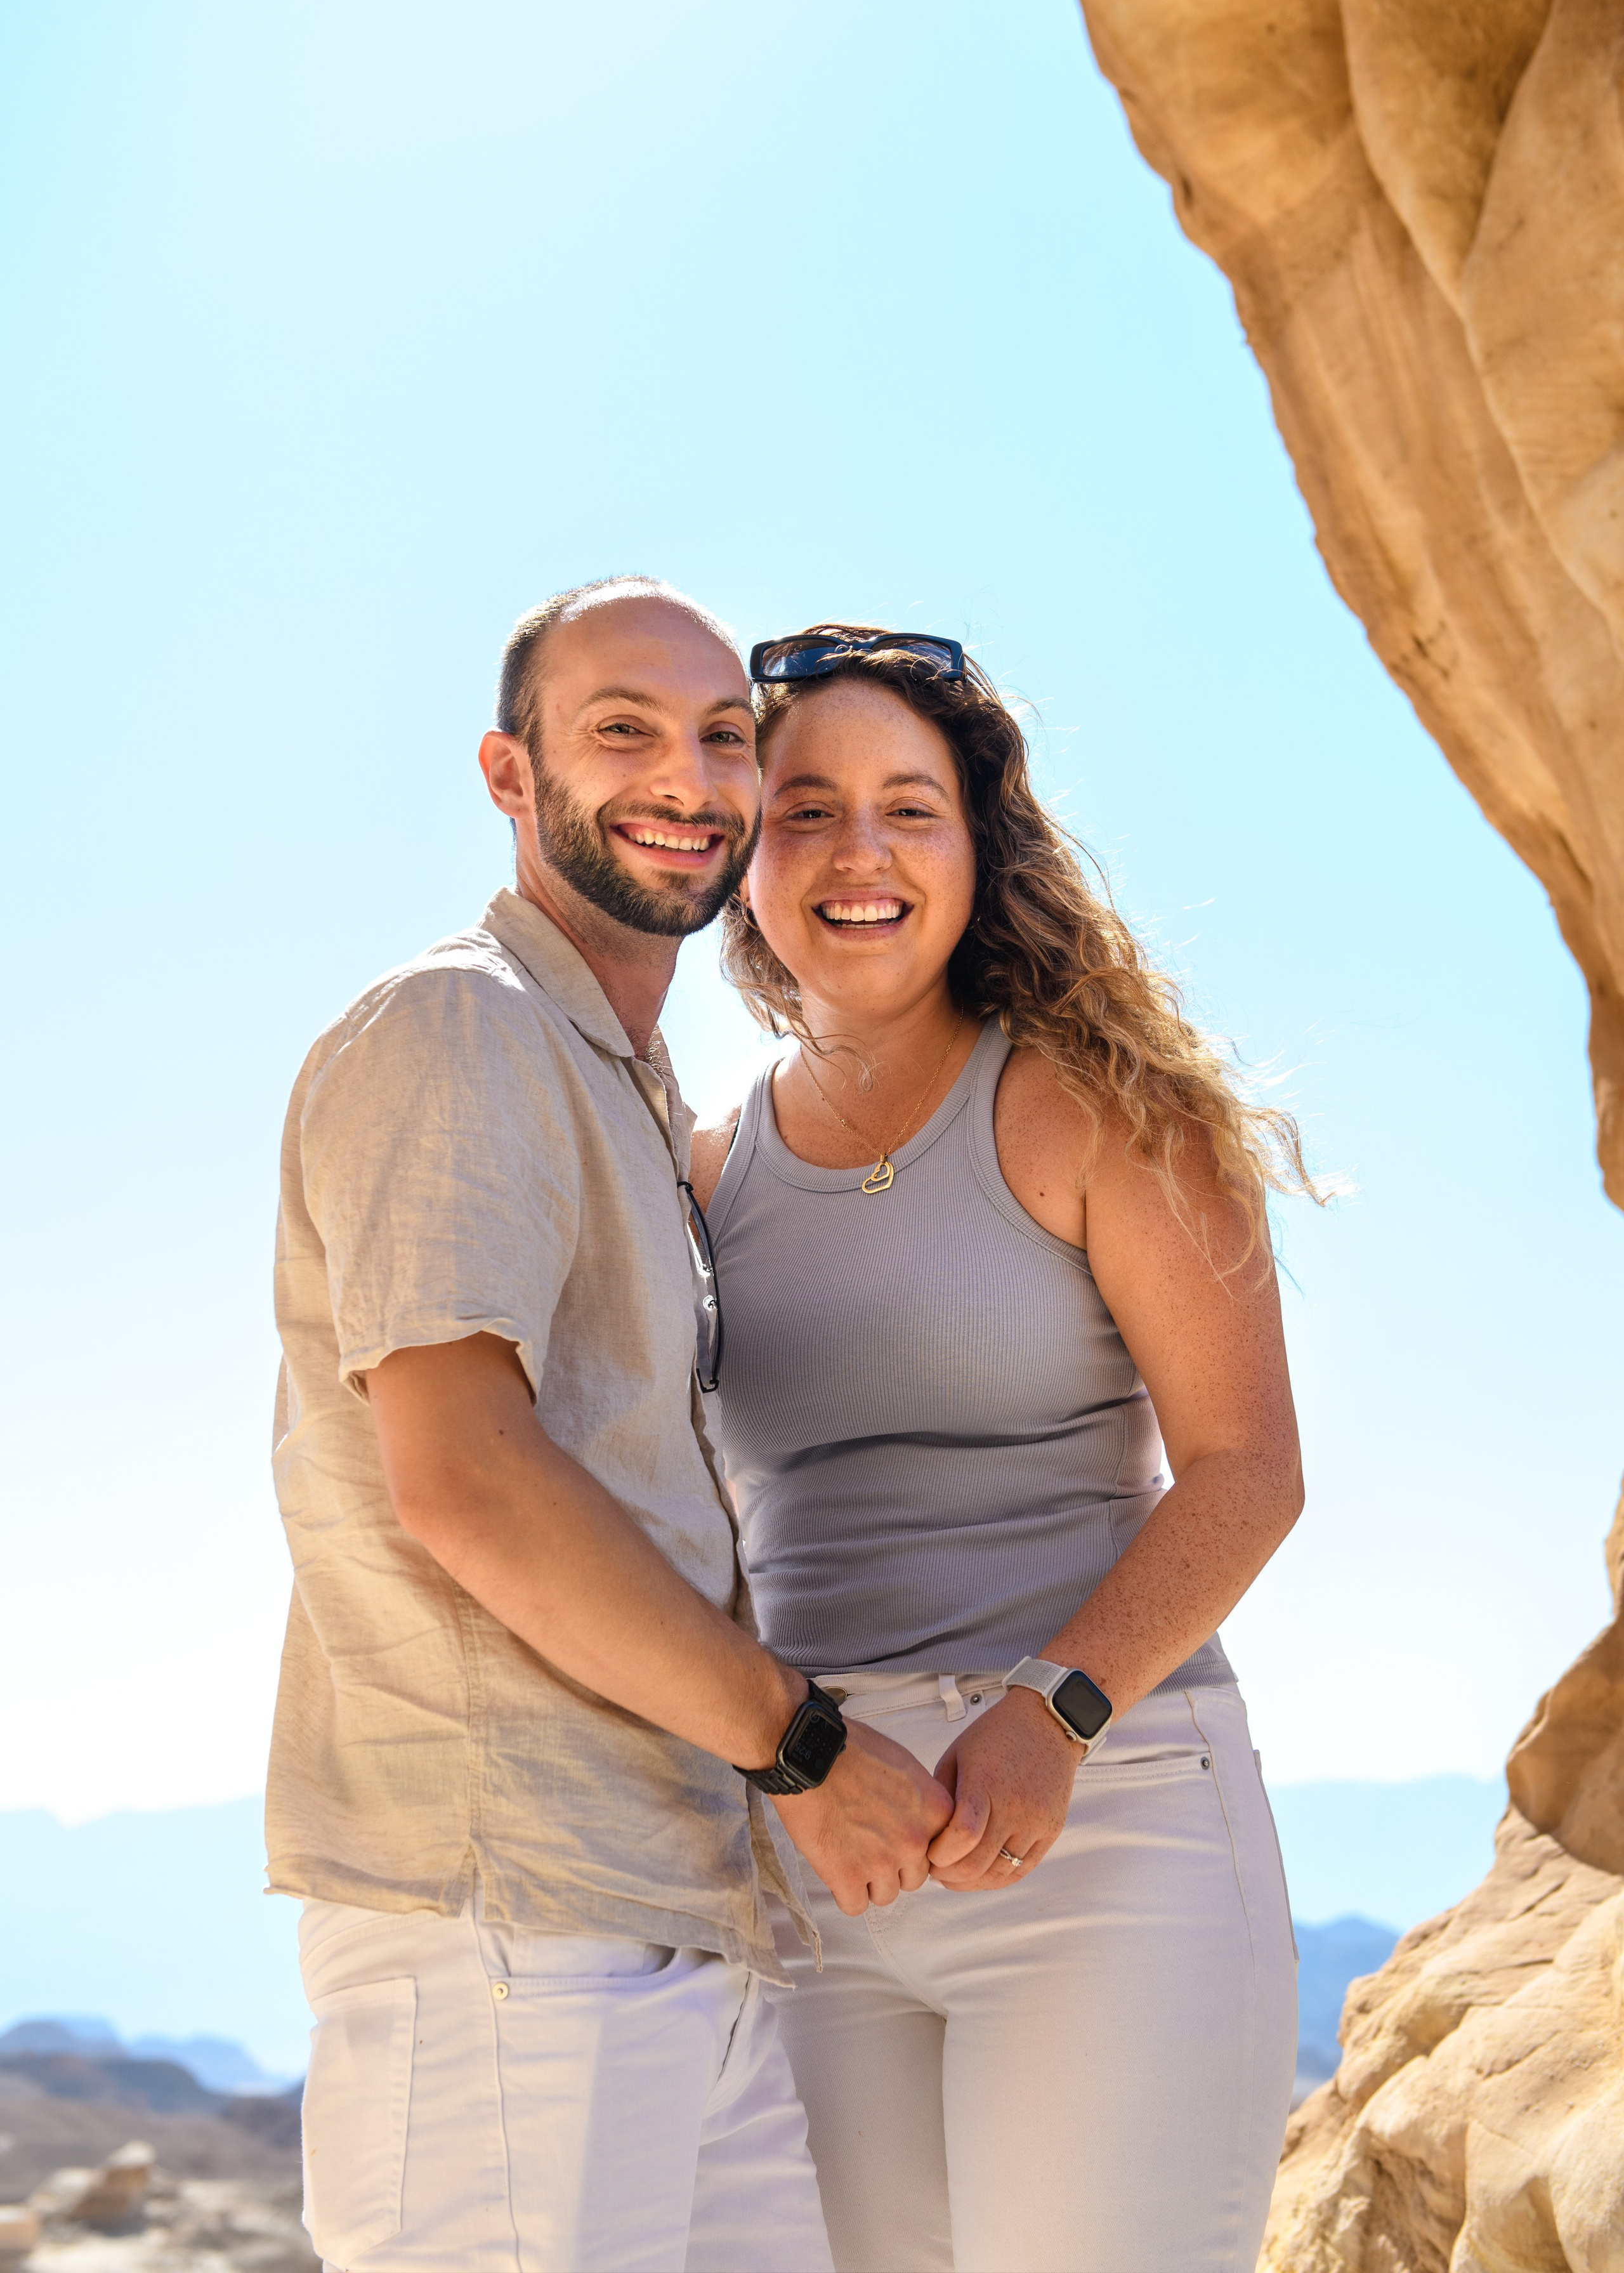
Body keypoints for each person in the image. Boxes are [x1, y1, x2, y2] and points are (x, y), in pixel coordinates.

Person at [266, 581, 952, 2273]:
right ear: (512, 774)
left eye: (725, 738)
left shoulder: (625, 1088)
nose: (688, 777)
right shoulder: (462, 1030)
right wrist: (802, 1751)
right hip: (509, 1931)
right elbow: (469, 1480)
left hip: (677, 1924)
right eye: (622, 731)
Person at [688, 625, 1313, 2273]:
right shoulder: (702, 1172)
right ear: (743, 851)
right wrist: (783, 1765)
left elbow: (1251, 1467)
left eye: (911, 807)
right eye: (805, 808)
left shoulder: (1101, 1105)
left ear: (979, 850)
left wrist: (1054, 1712)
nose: (860, 852)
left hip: (1100, 1817)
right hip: (821, 1833)